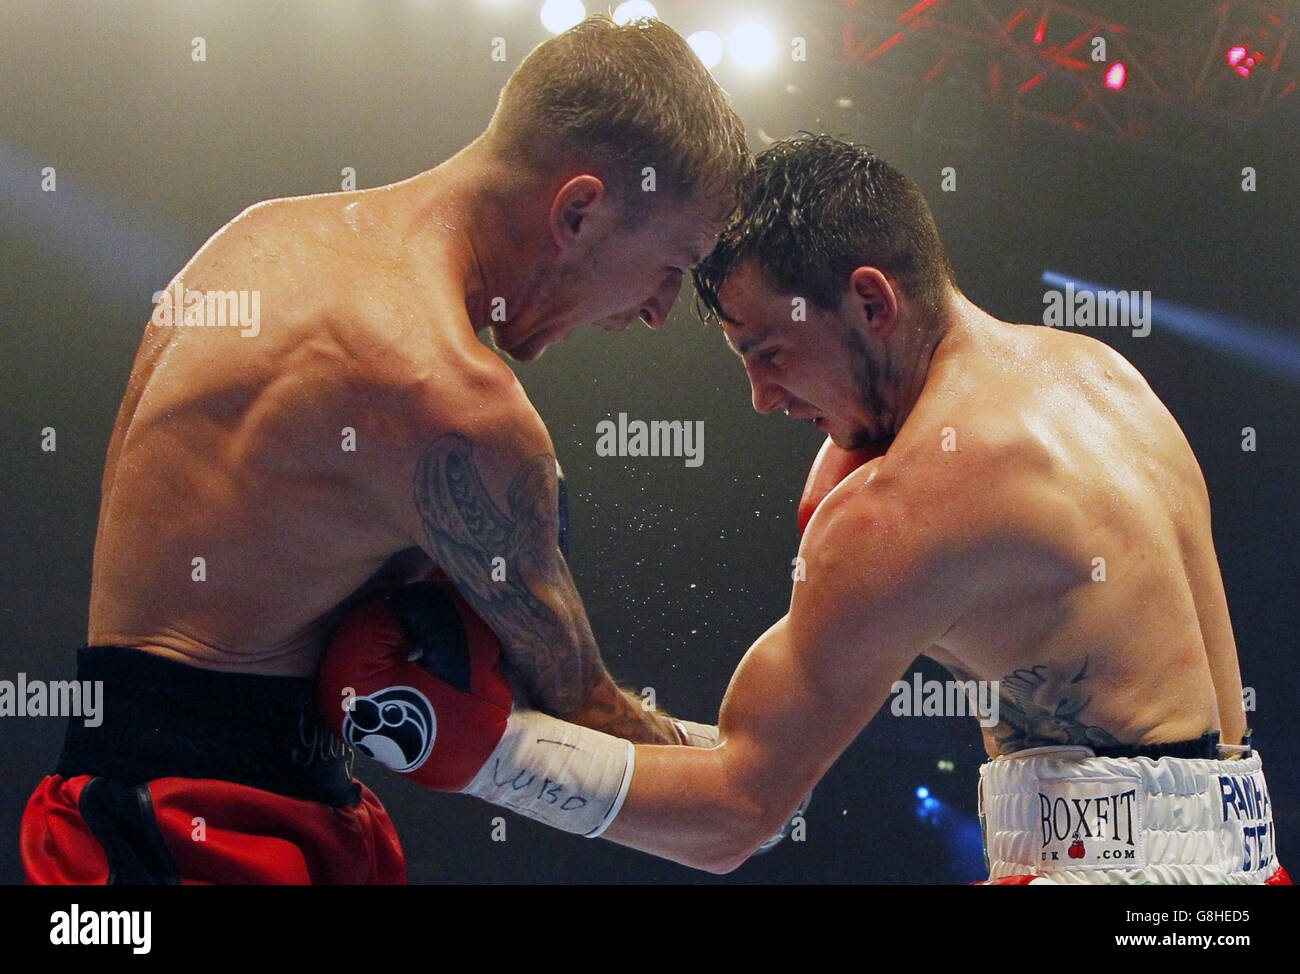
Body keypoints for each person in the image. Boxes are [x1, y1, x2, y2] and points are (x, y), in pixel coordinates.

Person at [323, 133, 1287, 884]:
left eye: (768, 353)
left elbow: (736, 812)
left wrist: (486, 751)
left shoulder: (910, 508)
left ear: (872, 302)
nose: (763, 400)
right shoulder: (1095, 372)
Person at [21, 15, 749, 885]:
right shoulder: (449, 397)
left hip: (150, 809)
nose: (662, 308)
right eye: (675, 262)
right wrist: (759, 771)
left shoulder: (257, 240)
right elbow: (588, 709)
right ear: (580, 210)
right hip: (193, 839)